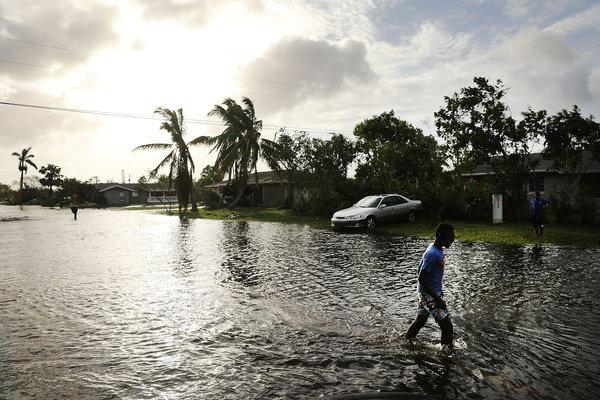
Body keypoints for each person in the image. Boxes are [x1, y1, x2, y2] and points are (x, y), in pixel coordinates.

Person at [405, 223, 454, 348]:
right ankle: (447, 356)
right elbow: (421, 277)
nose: (452, 240)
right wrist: (437, 299)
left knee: (420, 321)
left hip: (426, 293)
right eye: (450, 237)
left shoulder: (436, 249)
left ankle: (406, 341)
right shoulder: (432, 253)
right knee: (447, 326)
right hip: (430, 295)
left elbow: (420, 270)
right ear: (440, 235)